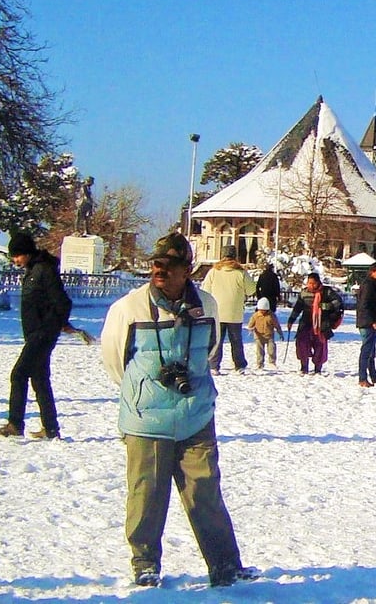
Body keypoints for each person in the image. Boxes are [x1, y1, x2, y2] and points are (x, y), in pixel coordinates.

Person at [98, 232, 255, 588]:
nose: (159, 271)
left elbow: (211, 348)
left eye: (168, 266)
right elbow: (114, 360)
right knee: (146, 495)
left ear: (187, 271)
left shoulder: (207, 305)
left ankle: (225, 565)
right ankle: (144, 564)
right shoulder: (128, 308)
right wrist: (142, 393)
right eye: (156, 265)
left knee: (205, 493)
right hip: (147, 420)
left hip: (195, 416)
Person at [0, 232, 77, 440]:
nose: (15, 260)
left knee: (18, 374)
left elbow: (62, 302)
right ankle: (50, 429)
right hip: (35, 334)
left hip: (41, 335)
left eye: (17, 255)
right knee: (39, 379)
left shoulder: (44, 270)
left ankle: (15, 424)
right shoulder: (33, 270)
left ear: (27, 252)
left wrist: (53, 327)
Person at [201, 250, 255, 375]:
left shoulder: (214, 272)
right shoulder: (241, 272)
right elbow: (251, 290)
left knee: (217, 340)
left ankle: (213, 365)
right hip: (235, 313)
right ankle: (239, 365)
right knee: (236, 341)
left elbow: (206, 290)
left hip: (218, 312)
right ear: (235, 257)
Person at [287, 273, 342, 375]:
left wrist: (325, 306)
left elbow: (338, 302)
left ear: (318, 283)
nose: (311, 285)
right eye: (309, 283)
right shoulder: (304, 293)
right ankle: (304, 367)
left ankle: (318, 368)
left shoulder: (326, 292)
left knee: (320, 346)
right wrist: (291, 320)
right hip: (305, 323)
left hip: (321, 323)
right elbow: (297, 308)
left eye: (313, 283)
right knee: (302, 344)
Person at [355, 261, 376, 387]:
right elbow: (365, 305)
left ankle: (374, 377)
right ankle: (363, 378)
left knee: (371, 352)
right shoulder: (369, 285)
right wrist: (373, 321)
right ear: (372, 272)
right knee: (366, 351)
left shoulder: (372, 285)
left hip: (369, 322)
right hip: (367, 323)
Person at [247, 298, 278, 369]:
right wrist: (250, 328)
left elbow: (276, 324)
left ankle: (272, 362)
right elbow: (250, 324)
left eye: (264, 310)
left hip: (269, 335)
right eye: (261, 310)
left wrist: (280, 332)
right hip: (259, 336)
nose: (262, 312)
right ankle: (260, 363)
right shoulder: (255, 316)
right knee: (259, 350)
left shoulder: (271, 316)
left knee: (272, 349)